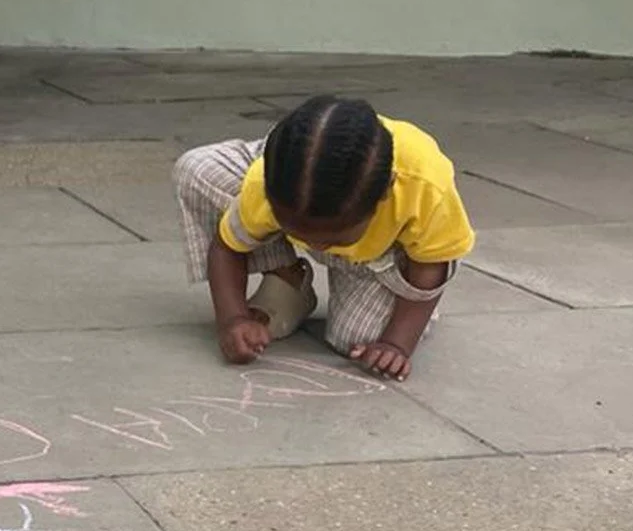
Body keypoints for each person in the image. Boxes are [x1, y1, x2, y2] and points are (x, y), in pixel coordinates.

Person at [173, 95, 475, 380]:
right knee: (198, 169)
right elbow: (226, 248)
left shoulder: (424, 187)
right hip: (294, 171)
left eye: (334, 239)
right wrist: (233, 319)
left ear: (384, 194)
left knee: (360, 341)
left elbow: (431, 265)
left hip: (383, 254)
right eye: (297, 232)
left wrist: (397, 344)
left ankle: (378, 287)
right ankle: (287, 281)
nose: (317, 248)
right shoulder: (266, 182)